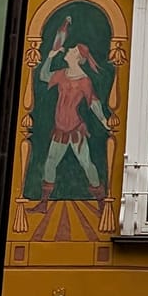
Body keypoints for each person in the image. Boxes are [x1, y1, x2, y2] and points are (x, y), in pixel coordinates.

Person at [36, 19, 108, 200]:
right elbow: (44, 76)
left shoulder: (84, 81)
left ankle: (100, 200)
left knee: (86, 163)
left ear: (78, 57)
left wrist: (104, 120)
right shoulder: (61, 74)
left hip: (75, 129)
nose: (68, 50)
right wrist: (50, 57)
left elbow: (93, 102)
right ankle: (44, 203)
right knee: (50, 163)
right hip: (60, 128)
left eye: (72, 50)